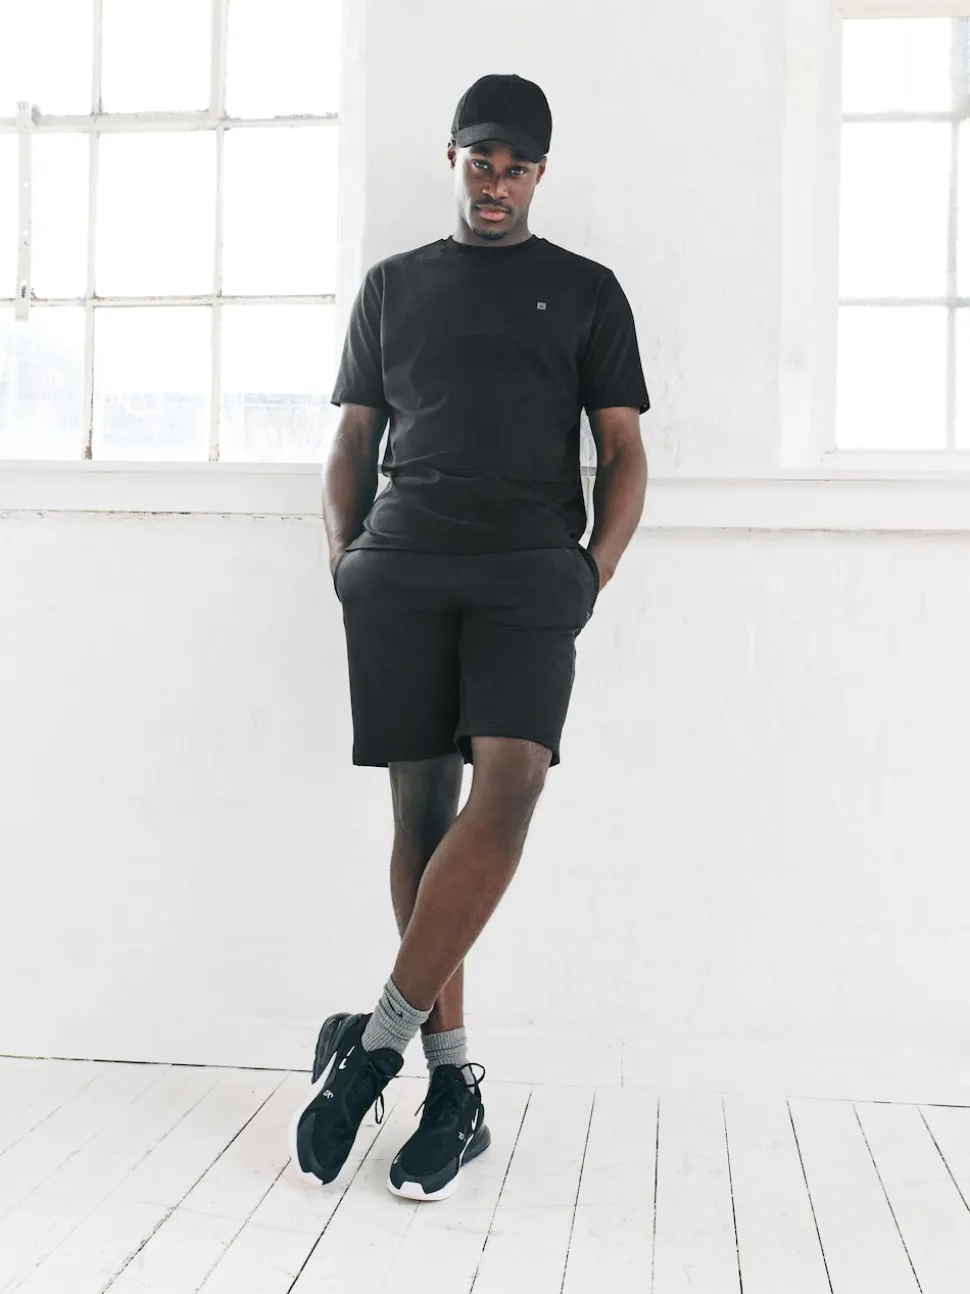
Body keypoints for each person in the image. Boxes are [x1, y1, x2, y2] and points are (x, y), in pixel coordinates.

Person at [290, 73, 649, 1202]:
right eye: (481, 162)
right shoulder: (393, 287)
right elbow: (352, 441)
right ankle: (453, 1088)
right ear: (453, 158)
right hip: (401, 570)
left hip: (528, 573)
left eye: (517, 168)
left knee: (510, 791)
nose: (497, 184)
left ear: (542, 174)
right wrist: (345, 560)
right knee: (419, 817)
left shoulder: (586, 292)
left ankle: (370, 1051)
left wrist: (590, 571)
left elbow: (624, 451)